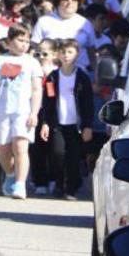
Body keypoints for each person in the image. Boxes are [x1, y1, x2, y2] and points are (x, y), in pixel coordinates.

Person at [0, 26, 43, 200]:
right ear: (9, 42)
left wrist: (34, 112)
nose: (24, 44)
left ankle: (20, 183)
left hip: (22, 111)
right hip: (2, 109)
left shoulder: (32, 62)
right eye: (20, 40)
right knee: (3, 147)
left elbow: (36, 89)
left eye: (26, 41)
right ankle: (10, 175)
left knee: (20, 147)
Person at [40, 40, 94, 199]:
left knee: (73, 156)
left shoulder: (82, 77)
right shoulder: (52, 78)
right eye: (63, 52)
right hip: (58, 123)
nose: (66, 55)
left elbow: (87, 103)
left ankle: (71, 187)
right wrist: (45, 123)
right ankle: (58, 182)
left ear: (77, 54)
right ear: (58, 55)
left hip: (75, 125)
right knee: (57, 153)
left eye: (70, 52)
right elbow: (48, 101)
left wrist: (87, 125)